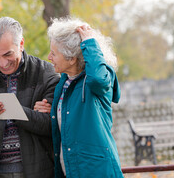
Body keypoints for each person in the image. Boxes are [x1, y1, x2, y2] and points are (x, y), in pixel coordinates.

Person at [0, 17, 60, 178]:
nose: (2, 63)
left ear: (21, 44)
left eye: (8, 54)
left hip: (39, 171)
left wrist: (15, 111)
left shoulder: (46, 73)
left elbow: (51, 126)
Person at [39, 17, 123, 177]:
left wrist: (90, 43)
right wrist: (53, 111)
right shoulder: (63, 82)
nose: (49, 57)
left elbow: (98, 79)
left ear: (71, 59)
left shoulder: (100, 78)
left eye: (54, 53)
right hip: (70, 170)